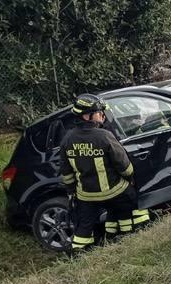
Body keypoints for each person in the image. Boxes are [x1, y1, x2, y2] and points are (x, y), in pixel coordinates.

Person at [59, 94, 150, 252]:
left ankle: (77, 255)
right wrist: (130, 179)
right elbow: (123, 164)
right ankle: (127, 240)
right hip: (114, 191)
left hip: (86, 196)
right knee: (130, 203)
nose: (102, 115)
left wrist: (71, 192)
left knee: (84, 228)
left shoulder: (67, 139)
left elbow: (66, 172)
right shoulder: (104, 136)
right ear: (87, 116)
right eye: (99, 112)